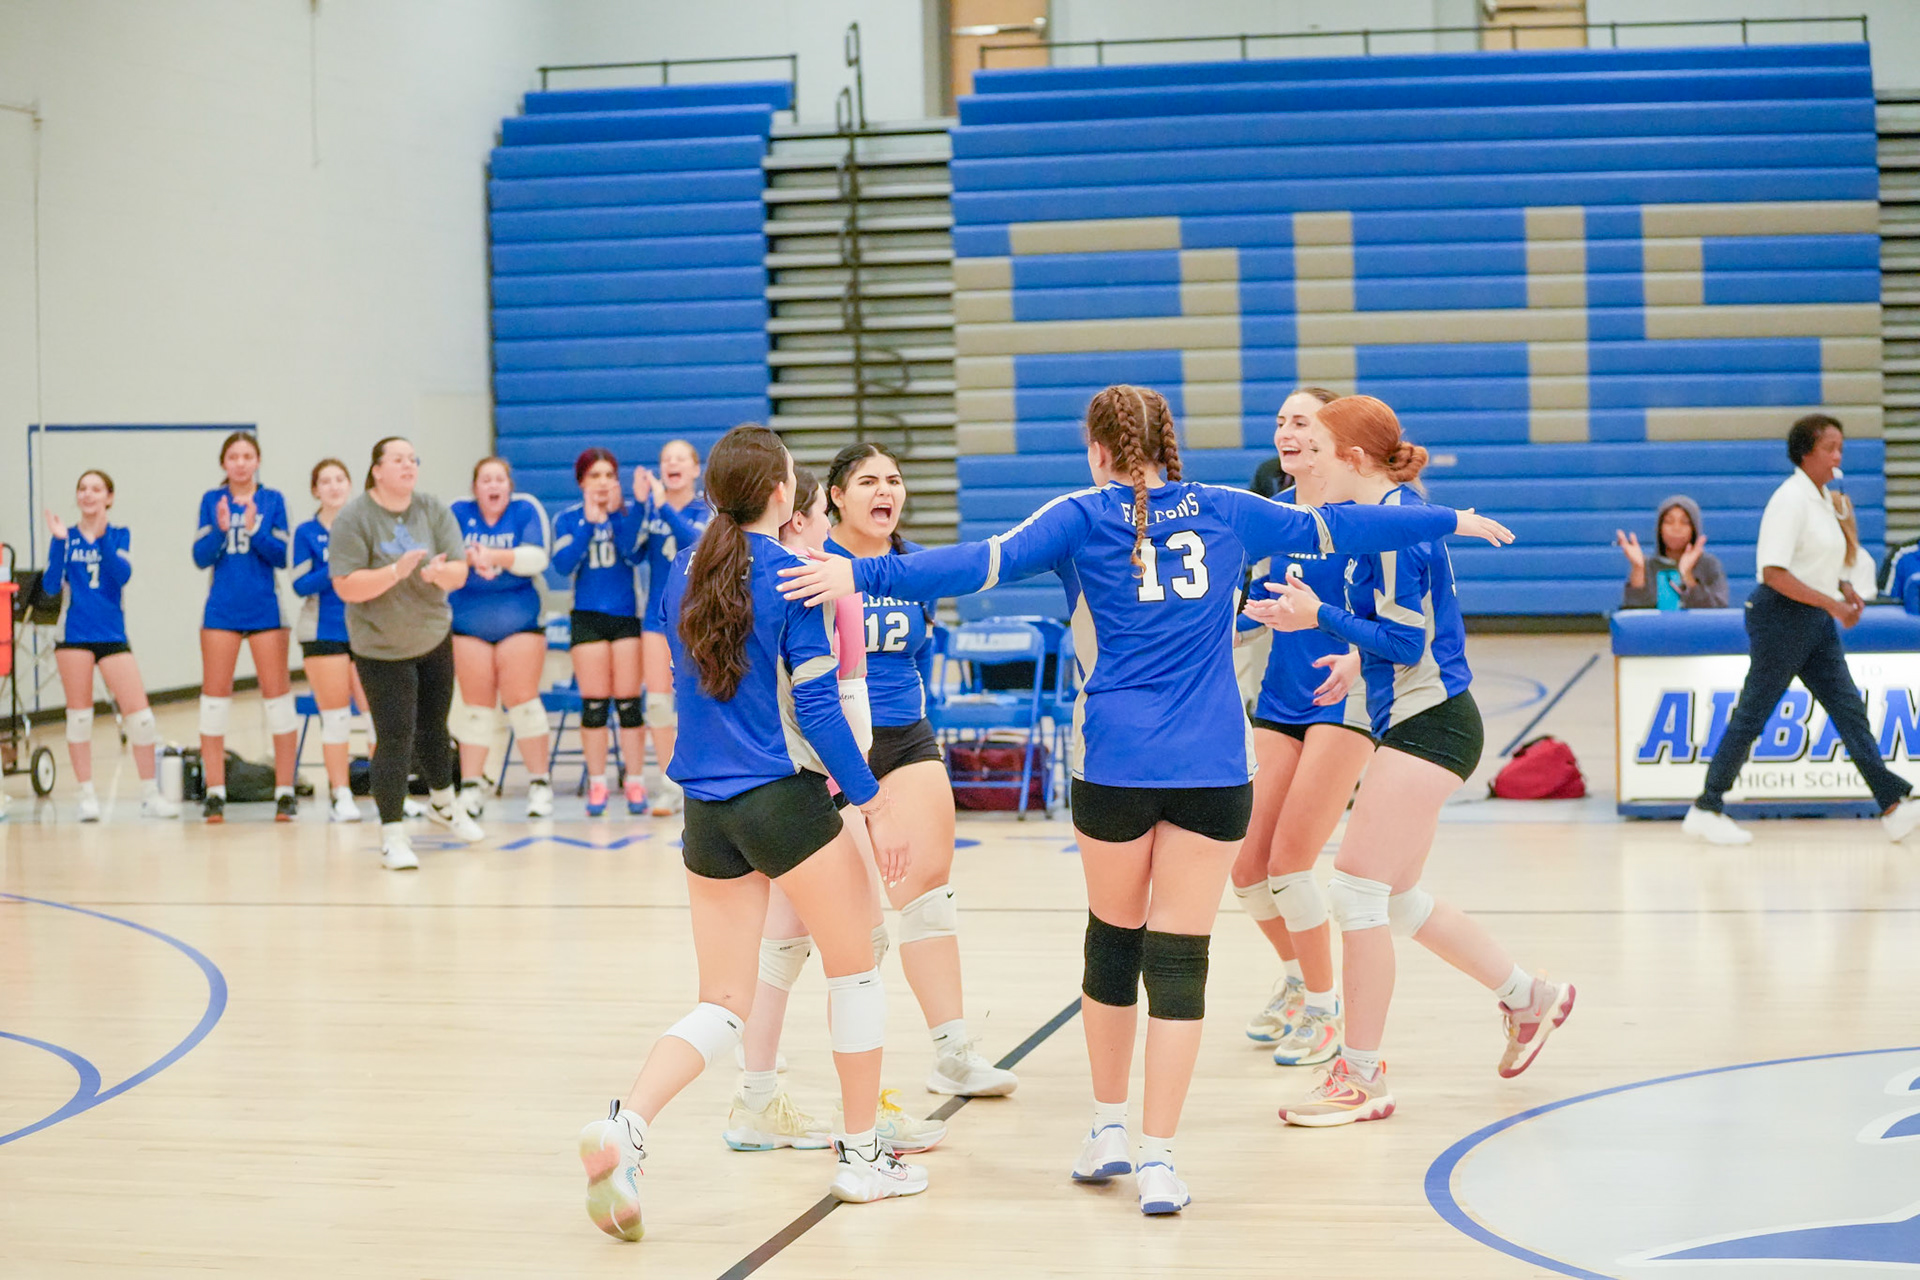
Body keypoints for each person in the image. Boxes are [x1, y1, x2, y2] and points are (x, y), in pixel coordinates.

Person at [780, 385, 1513, 1215]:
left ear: (1098, 450)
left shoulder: (1078, 515)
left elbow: (977, 564)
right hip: (1213, 768)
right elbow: (1350, 526)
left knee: (1112, 948)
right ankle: (1160, 1158)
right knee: (1180, 962)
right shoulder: (1231, 508)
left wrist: (858, 570)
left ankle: (1107, 1128)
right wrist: (1450, 519)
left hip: (1115, 765)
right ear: (1170, 444)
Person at [576, 425, 926, 1244]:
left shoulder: (682, 571)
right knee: (857, 970)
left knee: (723, 1002)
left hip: (705, 812)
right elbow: (818, 710)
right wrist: (873, 802)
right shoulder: (794, 577)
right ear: (779, 494)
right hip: (781, 800)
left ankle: (626, 1128)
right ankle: (862, 1157)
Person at [1250, 395, 1574, 1128]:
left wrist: (1319, 617)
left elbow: (1405, 643)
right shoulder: (1386, 519)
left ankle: (1360, 1076)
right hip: (1424, 715)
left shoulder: (1394, 532)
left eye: (1320, 451)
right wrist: (1350, 655)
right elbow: (1404, 631)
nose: (1308, 464)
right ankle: (1529, 998)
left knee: (1355, 892)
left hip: (1430, 723)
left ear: (1354, 460)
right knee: (1395, 900)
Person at [724, 466, 946, 1156]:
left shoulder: (739, 580)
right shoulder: (823, 589)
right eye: (822, 511)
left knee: (781, 947)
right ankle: (866, 1115)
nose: (827, 525)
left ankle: (755, 1099)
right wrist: (867, 800)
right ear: (800, 518)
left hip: (760, 784)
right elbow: (843, 711)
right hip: (821, 785)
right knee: (859, 949)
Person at [824, 442, 1018, 1099]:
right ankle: (767, 1067)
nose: (886, 490)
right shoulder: (816, 564)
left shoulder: (915, 567)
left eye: (895, 480)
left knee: (930, 899)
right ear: (835, 497)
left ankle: (953, 1054)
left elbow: (920, 653)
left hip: (906, 737)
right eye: (868, 481)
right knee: (853, 926)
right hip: (833, 749)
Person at [1683, 414, 1920, 845]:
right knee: (1754, 713)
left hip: (1814, 618)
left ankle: (1891, 805)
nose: (1838, 456)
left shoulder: (1824, 499)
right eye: (1830, 448)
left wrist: (1844, 588)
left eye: (1841, 448)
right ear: (1806, 453)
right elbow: (1774, 572)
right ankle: (1707, 806)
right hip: (1781, 617)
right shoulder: (1789, 500)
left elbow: (1818, 561)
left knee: (1848, 710)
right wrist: (1832, 604)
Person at [1233, 387, 1372, 1070]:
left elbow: (1399, 615)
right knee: (1246, 867)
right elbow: (1249, 604)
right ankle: (1298, 979)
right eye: (1281, 421)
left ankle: (1325, 1007)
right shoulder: (1270, 518)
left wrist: (1358, 653)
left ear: (1331, 437)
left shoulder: (1364, 515)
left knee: (1290, 862)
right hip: (1280, 699)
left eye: (1302, 421)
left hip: (1344, 700)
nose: (1286, 432)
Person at [329, 436, 483, 870]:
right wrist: (395, 572)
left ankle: (445, 804)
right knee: (395, 735)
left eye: (413, 459)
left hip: (432, 635)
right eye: (398, 459)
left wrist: (439, 575)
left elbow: (459, 572)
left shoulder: (433, 509)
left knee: (435, 727)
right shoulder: (355, 518)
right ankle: (393, 835)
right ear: (377, 469)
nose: (408, 465)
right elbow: (346, 585)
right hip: (380, 645)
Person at [43, 470, 177, 821]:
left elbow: (121, 575)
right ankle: (86, 796)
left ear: (109, 497)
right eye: (82, 488)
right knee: (80, 717)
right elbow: (50, 587)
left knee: (141, 718)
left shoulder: (119, 534)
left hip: (112, 635)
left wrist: (101, 538)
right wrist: (58, 542)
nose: (88, 494)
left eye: (96, 489)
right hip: (74, 637)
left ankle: (150, 795)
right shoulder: (66, 536)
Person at [192, 430, 296, 822]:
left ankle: (284, 791)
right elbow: (200, 557)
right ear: (224, 463)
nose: (240, 463)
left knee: (278, 700)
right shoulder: (211, 500)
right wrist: (221, 529)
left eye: (247, 456)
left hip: (265, 611)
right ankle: (215, 792)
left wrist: (254, 529)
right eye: (233, 457)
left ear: (258, 461)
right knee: (214, 702)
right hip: (222, 611)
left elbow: (282, 556)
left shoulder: (273, 500)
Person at [448, 456, 555, 820]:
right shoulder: (458, 513)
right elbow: (444, 558)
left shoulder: (525, 509)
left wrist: (493, 555)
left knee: (522, 701)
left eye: (499, 479)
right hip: (468, 624)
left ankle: (539, 784)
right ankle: (471, 787)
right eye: (486, 480)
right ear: (474, 487)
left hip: (519, 621)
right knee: (476, 708)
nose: (493, 485)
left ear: (509, 485)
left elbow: (536, 558)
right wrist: (469, 559)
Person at [550, 448, 646, 818]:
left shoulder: (628, 513)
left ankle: (635, 780)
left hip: (625, 617)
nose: (603, 482)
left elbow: (633, 555)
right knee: (593, 705)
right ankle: (597, 782)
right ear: (581, 482)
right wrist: (588, 525)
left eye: (609, 475)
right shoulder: (568, 518)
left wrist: (617, 514)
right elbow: (562, 565)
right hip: (587, 617)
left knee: (629, 704)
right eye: (595, 476)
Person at [632, 439, 711, 815]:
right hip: (656, 617)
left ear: (695, 469)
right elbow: (629, 552)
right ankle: (668, 782)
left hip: (698, 616)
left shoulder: (706, 510)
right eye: (666, 459)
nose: (672, 463)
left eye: (680, 458)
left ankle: (700, 778)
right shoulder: (649, 510)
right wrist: (639, 505)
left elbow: (695, 544)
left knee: (698, 700)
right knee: (658, 703)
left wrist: (662, 505)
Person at [291, 459, 368, 823]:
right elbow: (300, 584)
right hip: (323, 632)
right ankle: (341, 794)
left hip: (366, 631)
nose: (334, 486)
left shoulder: (365, 525)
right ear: (315, 490)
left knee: (377, 718)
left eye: (340, 479)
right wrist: (336, 566)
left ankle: (392, 795)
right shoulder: (306, 532)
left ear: (350, 485)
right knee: (336, 718)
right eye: (326, 481)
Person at [1616, 496, 1728, 610]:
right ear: (1660, 528)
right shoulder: (1648, 565)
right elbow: (1634, 613)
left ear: (1694, 529)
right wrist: (1638, 568)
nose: (1676, 528)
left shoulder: (1709, 565)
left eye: (1685, 522)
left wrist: (1687, 575)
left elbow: (1718, 610)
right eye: (1669, 522)